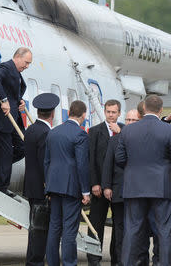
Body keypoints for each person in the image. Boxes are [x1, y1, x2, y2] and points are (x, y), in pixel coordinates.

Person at [115, 95, 171, 266]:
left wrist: (133, 170)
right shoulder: (169, 130)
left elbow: (119, 158)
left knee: (131, 230)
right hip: (162, 187)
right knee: (164, 231)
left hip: (134, 186)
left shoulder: (128, 130)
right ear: (161, 110)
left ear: (144, 108)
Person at [45, 100, 91, 266]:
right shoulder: (80, 134)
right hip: (71, 187)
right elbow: (82, 164)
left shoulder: (53, 132)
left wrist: (48, 187)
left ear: (69, 111)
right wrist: (86, 191)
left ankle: (52, 262)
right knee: (70, 229)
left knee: (54, 227)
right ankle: (69, 263)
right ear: (83, 115)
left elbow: (47, 162)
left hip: (54, 186)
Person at [0, 47, 31, 195]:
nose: (27, 66)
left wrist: (20, 102)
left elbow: (15, 91)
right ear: (17, 57)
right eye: (26, 62)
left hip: (13, 120)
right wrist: (4, 100)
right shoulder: (5, 67)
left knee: (23, 147)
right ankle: (2, 187)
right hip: (0, 120)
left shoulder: (17, 72)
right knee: (5, 153)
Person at [23, 93, 59, 266]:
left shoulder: (30, 130)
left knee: (34, 229)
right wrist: (49, 188)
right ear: (52, 113)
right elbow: (45, 163)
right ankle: (35, 262)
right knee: (40, 231)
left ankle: (32, 261)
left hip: (31, 187)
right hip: (41, 190)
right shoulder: (46, 133)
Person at [87, 99, 124, 266]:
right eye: (108, 112)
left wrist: (121, 133)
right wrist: (94, 183)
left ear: (119, 113)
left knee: (119, 226)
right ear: (104, 111)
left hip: (119, 188)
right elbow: (91, 160)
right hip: (99, 188)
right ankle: (94, 258)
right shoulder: (95, 131)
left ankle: (116, 259)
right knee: (96, 223)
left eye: (114, 112)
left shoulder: (126, 130)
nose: (110, 115)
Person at [101, 109, 139, 266]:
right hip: (118, 192)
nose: (129, 123)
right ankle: (119, 262)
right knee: (119, 229)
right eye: (128, 120)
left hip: (138, 193)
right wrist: (106, 186)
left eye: (133, 121)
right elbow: (107, 164)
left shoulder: (143, 139)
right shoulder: (115, 140)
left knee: (136, 228)